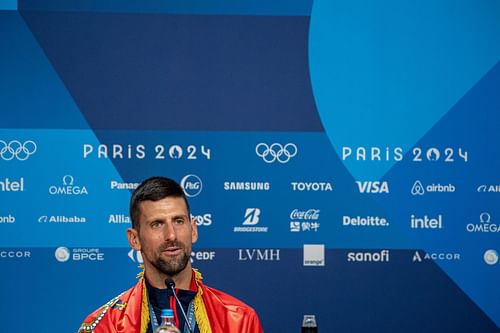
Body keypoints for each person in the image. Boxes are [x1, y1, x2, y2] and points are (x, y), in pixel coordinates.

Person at [77, 176, 264, 333]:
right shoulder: (104, 325)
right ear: (134, 239)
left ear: (193, 230)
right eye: (157, 224)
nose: (171, 235)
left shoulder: (239, 320)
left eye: (179, 221)